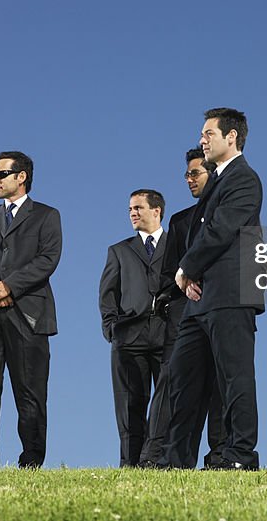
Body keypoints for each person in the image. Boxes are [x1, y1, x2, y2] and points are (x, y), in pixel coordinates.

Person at [160, 108, 264, 471]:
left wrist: (186, 268)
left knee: (234, 377)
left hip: (233, 293)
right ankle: (176, 460)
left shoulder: (245, 179)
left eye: (208, 134)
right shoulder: (218, 180)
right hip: (200, 299)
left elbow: (220, 230)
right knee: (183, 377)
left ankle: (240, 456)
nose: (202, 139)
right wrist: (191, 279)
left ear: (231, 137)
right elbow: (199, 231)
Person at [0, 151, 61, 468]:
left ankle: (31, 460)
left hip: (29, 315)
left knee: (30, 393)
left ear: (21, 177)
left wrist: (11, 286)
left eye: (1, 174)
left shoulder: (47, 216)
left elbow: (48, 259)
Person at [144, 148, 225, 468]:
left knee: (222, 385)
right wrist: (182, 287)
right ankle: (164, 456)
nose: (189, 180)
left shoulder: (234, 213)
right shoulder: (179, 221)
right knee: (178, 386)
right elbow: (168, 273)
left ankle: (219, 455)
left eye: (195, 173)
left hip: (224, 310)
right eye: (187, 174)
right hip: (186, 315)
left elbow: (252, 262)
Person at [99, 189, 170, 467]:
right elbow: (107, 294)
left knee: (167, 402)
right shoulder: (118, 251)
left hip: (167, 335)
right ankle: (129, 465)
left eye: (138, 208)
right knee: (130, 406)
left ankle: (155, 461)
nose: (133, 213)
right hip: (128, 337)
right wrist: (112, 329)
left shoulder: (177, 246)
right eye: (130, 209)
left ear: (157, 211)